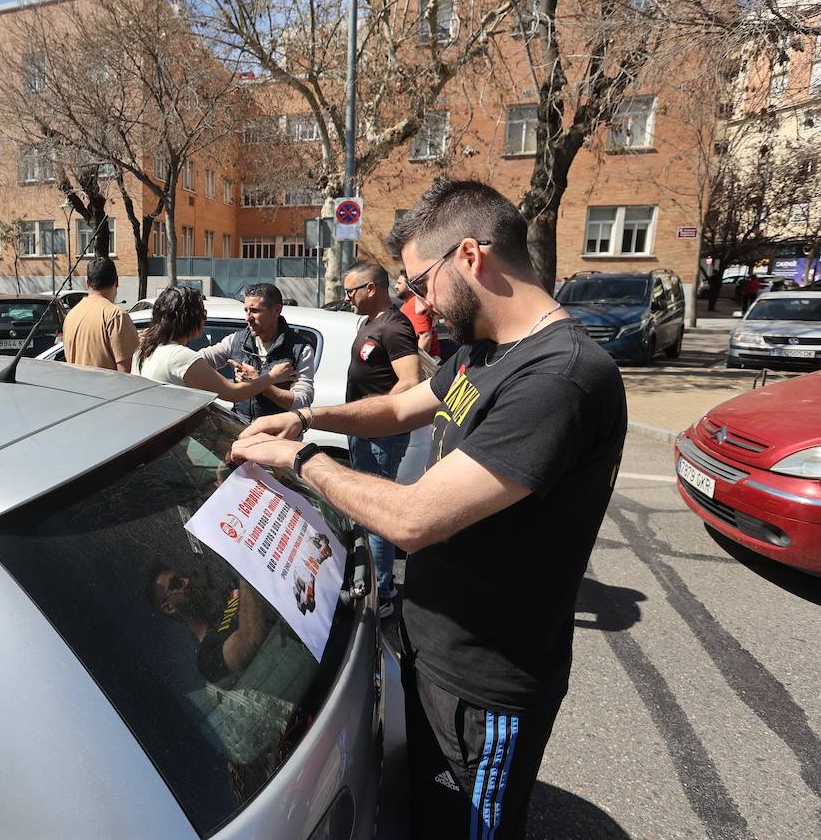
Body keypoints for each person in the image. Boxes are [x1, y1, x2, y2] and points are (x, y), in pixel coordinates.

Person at [230, 178, 626, 838]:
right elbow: (397, 408)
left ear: (470, 256)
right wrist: (305, 418)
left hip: (485, 683)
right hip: (430, 647)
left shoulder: (559, 378)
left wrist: (300, 461)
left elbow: (413, 519)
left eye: (421, 283)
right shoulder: (485, 351)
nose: (416, 302)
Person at [342, 260, 425, 618]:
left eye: (350, 291)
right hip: (365, 434)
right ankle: (377, 584)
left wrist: (376, 413)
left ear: (371, 288)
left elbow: (410, 380)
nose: (347, 298)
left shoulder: (394, 326)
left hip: (381, 438)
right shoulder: (369, 323)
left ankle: (383, 593)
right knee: (367, 513)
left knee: (376, 516)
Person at [132, 286, 296, 399]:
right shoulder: (180, 357)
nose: (205, 318)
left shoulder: (144, 349)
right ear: (189, 318)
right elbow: (232, 393)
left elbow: (204, 359)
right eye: (202, 312)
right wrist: (272, 376)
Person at [198, 282, 316, 422]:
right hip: (241, 432)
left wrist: (259, 383)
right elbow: (197, 361)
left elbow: (302, 403)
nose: (248, 318)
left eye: (254, 311)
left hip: (277, 437)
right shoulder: (236, 340)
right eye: (246, 310)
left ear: (277, 310)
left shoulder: (300, 349)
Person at [147, 566, 269, 687]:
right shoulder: (207, 659)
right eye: (176, 583)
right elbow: (249, 640)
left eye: (183, 576)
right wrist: (246, 572)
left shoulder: (229, 596)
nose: (187, 581)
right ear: (168, 608)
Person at [62, 257, 138, 371]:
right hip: (109, 388)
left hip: (76, 388)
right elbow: (127, 371)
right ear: (116, 282)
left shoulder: (71, 315)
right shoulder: (116, 316)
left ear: (88, 283)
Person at [396, 269, 440, 357]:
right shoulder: (410, 303)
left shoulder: (415, 304)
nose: (396, 286)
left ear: (410, 286)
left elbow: (425, 337)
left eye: (399, 283)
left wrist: (417, 364)